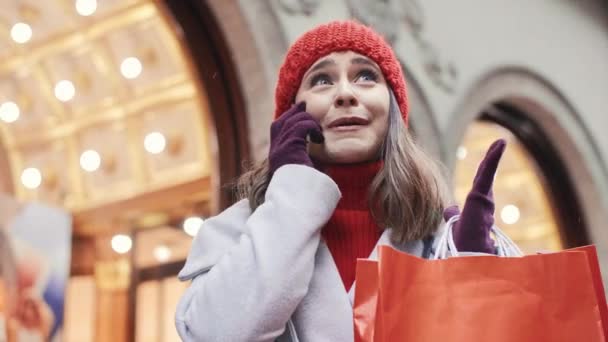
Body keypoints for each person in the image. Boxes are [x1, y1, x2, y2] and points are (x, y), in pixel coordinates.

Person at [175, 20, 504, 341]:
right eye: (321, 80)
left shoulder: (441, 237)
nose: (345, 94)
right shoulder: (235, 230)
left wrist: (476, 274)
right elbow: (213, 334)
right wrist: (291, 196)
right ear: (292, 114)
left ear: (392, 108)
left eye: (365, 76)